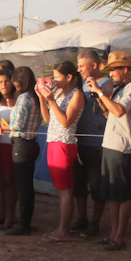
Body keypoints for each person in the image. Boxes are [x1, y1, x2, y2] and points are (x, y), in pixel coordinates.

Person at [86, 51, 131, 251]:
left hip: (123, 146)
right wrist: (100, 99)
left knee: (122, 194)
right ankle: (113, 233)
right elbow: (110, 113)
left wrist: (101, 93)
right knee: (111, 192)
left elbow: (120, 111)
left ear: (125, 69)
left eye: (114, 69)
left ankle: (120, 236)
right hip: (110, 144)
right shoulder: (119, 88)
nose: (111, 74)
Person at [35, 61, 85, 242]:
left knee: (65, 189)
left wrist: (51, 101)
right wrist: (42, 98)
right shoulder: (58, 93)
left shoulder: (76, 95)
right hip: (54, 141)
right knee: (60, 188)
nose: (54, 81)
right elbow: (48, 118)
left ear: (69, 77)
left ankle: (64, 230)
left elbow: (66, 122)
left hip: (64, 142)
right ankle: (62, 227)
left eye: (57, 77)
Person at [73, 49, 114, 238]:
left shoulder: (106, 84)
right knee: (78, 184)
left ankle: (95, 222)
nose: (79, 69)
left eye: (82, 66)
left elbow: (108, 111)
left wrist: (97, 91)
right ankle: (82, 218)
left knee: (97, 185)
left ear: (94, 65)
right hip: (77, 141)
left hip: (96, 143)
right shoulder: (79, 84)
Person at [5, 66, 41, 236]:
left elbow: (17, 125)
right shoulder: (34, 97)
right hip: (31, 142)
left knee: (23, 186)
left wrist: (2, 127)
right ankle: (26, 221)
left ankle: (23, 224)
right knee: (27, 185)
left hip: (21, 143)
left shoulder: (23, 97)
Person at [0, 69, 17, 229]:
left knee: (10, 180)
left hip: (13, 144)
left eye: (6, 81)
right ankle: (1, 213)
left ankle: (11, 215)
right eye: (0, 82)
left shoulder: (18, 98)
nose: (4, 84)